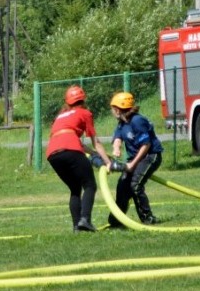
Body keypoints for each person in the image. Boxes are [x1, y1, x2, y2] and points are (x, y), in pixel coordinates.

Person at [45, 86, 113, 232]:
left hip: (52, 153)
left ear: (68, 102)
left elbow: (73, 140)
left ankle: (77, 226)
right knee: (89, 185)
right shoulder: (84, 113)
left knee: (75, 188)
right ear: (83, 99)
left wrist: (94, 153)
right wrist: (108, 162)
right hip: (71, 150)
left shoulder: (61, 116)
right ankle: (85, 220)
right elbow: (96, 141)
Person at [107, 91, 164, 227]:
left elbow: (146, 145)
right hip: (135, 158)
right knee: (122, 187)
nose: (112, 111)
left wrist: (132, 164)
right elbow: (118, 137)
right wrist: (116, 148)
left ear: (118, 109)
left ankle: (147, 218)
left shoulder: (137, 121)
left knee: (135, 185)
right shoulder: (122, 122)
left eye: (113, 108)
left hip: (150, 156)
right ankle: (117, 221)